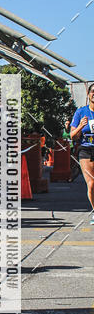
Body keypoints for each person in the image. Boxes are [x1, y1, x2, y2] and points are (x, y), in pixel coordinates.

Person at [70, 82, 94, 220]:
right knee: (91, 184)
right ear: (89, 94)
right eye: (93, 92)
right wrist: (80, 126)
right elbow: (72, 135)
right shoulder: (81, 112)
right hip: (86, 150)